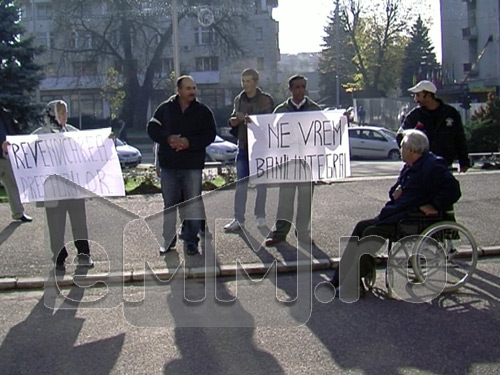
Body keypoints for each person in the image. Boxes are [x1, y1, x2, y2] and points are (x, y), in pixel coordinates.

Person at [329, 129, 462, 297]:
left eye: (402, 147)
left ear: (412, 150)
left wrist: (434, 205)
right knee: (361, 227)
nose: (400, 150)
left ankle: (354, 282)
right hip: (398, 212)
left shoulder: (433, 166)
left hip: (411, 218)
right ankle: (338, 280)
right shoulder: (410, 166)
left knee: (371, 233)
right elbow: (395, 191)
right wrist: (395, 192)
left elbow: (453, 190)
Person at [147, 75, 216, 255]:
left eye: (194, 88)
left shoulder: (203, 112)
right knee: (170, 204)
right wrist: (167, 139)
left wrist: (189, 142)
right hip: (169, 165)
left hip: (192, 165)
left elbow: (210, 135)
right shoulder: (165, 109)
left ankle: (191, 240)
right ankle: (168, 241)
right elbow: (152, 128)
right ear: (178, 91)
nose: (192, 91)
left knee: (192, 203)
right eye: (188, 88)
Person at [32, 100, 94, 270]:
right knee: (55, 224)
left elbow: (89, 149)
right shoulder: (40, 135)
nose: (64, 116)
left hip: (72, 187)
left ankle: (84, 254)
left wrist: (106, 141)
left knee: (79, 222)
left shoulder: (73, 132)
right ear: (52, 114)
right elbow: (25, 154)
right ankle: (59, 257)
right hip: (52, 189)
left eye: (66, 112)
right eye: (61, 112)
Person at [264, 74, 321, 247]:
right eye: (297, 87)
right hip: (287, 162)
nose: (301, 90)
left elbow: (325, 134)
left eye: (303, 87)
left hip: (307, 162)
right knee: (285, 200)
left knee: (305, 200)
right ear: (290, 90)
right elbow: (271, 133)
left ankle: (303, 233)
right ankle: (280, 233)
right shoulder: (281, 111)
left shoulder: (314, 108)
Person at [224, 68, 274, 232]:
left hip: (260, 147)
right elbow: (234, 117)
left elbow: (268, 122)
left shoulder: (265, 100)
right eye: (243, 81)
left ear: (256, 82)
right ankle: (239, 219)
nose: (245, 85)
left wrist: (247, 119)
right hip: (243, 145)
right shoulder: (239, 99)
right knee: (241, 184)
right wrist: (234, 120)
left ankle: (260, 216)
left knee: (261, 184)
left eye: (248, 81)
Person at [398, 80, 470, 172]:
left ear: (428, 96)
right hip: (422, 166)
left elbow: (459, 138)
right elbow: (401, 134)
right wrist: (410, 153)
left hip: (445, 164)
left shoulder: (450, 113)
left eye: (418, 95)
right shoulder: (415, 115)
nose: (415, 99)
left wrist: (464, 161)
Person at [0, 108, 33, 223]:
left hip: (7, 155)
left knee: (12, 184)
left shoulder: (4, 113)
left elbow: (13, 130)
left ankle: (18, 213)